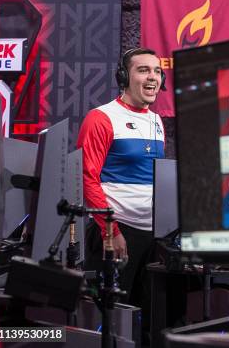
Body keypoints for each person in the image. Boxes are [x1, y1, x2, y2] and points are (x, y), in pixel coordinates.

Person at [77, 47, 165, 306]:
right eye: (143, 70)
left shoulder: (157, 120)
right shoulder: (101, 118)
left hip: (152, 237)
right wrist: (109, 230)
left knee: (146, 317)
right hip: (116, 234)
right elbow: (87, 178)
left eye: (157, 71)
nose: (153, 77)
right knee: (110, 315)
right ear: (124, 77)